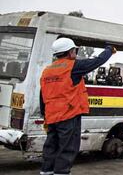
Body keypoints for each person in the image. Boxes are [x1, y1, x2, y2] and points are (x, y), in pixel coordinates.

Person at [39, 38, 115, 175]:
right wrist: (109, 50)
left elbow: (43, 94)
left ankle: (46, 172)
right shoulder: (72, 66)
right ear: (69, 52)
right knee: (67, 148)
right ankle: (61, 173)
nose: (76, 52)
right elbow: (96, 61)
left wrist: (44, 115)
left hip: (51, 116)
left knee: (51, 146)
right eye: (74, 50)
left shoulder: (47, 71)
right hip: (68, 114)